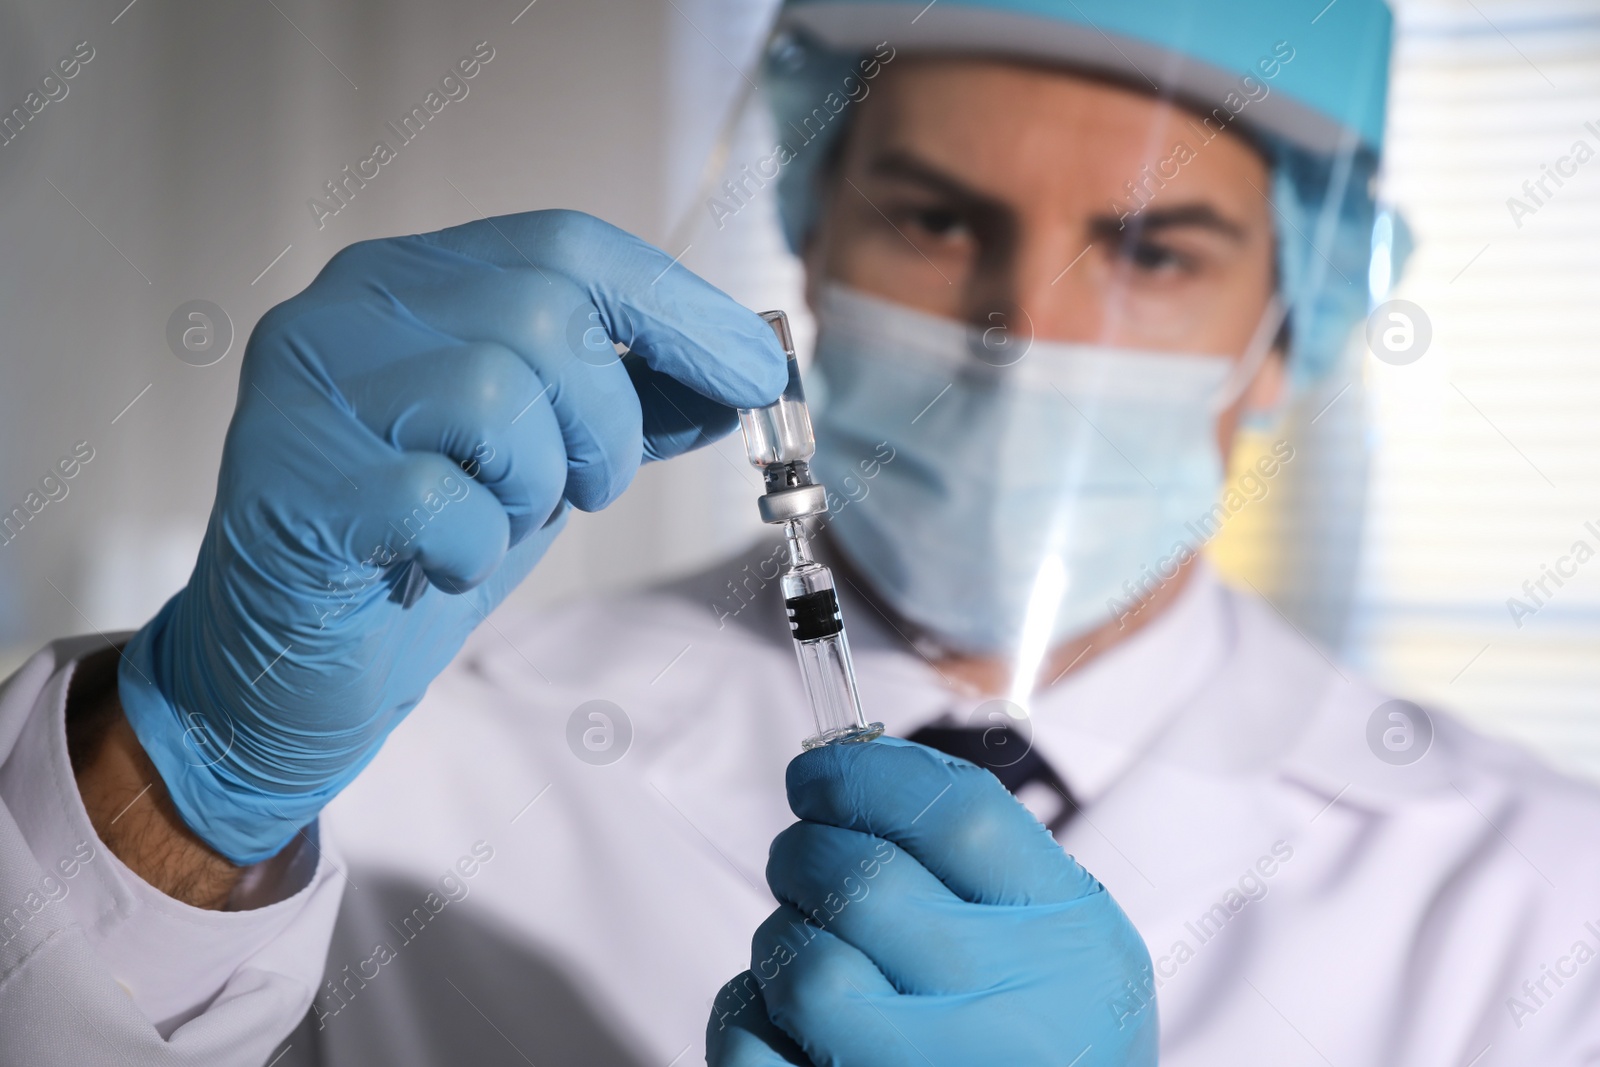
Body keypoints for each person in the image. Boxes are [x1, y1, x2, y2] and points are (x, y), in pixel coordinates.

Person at [2, 1, 1598, 1065]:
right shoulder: (422, 773)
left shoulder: (1539, 906)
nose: (1015, 327)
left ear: (1293, 324)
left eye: (1151, 250)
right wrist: (181, 782)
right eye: (932, 216)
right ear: (812, 247)